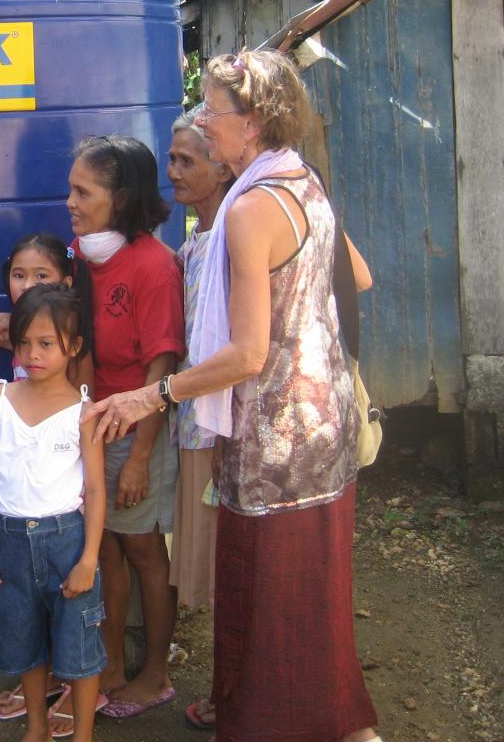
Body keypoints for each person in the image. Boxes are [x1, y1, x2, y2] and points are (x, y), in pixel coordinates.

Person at [86, 50, 381, 742]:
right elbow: (353, 279)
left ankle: (270, 724)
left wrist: (151, 396)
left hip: (275, 437)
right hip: (324, 420)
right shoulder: (301, 182)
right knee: (314, 595)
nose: (203, 121)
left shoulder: (249, 210)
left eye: (213, 108)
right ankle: (331, 719)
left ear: (251, 122)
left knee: (268, 595)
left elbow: (247, 354)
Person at [0, 135, 184, 727]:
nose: (69, 200)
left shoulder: (152, 265)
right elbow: (59, 324)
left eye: (82, 191)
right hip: (88, 423)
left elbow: (162, 365)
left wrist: (141, 453)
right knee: (106, 550)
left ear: (120, 198)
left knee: (140, 546)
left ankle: (155, 672)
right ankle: (107, 664)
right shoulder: (82, 254)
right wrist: (12, 324)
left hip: (130, 426)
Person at [0, 284, 107, 742]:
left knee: (79, 645)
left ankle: (83, 734)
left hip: (67, 543)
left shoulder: (84, 413)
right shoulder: (0, 400)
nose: (33, 353)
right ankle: (37, 728)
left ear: (74, 347)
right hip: (9, 540)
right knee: (24, 641)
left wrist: (88, 558)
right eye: (24, 341)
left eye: (46, 343)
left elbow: (94, 489)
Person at [164, 110, 234, 731]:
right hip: (195, 421)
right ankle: (232, 684)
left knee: (230, 564)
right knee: (214, 565)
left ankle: (237, 690)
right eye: (173, 158)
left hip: (224, 425)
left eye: (188, 160)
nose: (175, 171)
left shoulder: (237, 236)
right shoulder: (195, 243)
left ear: (223, 165)